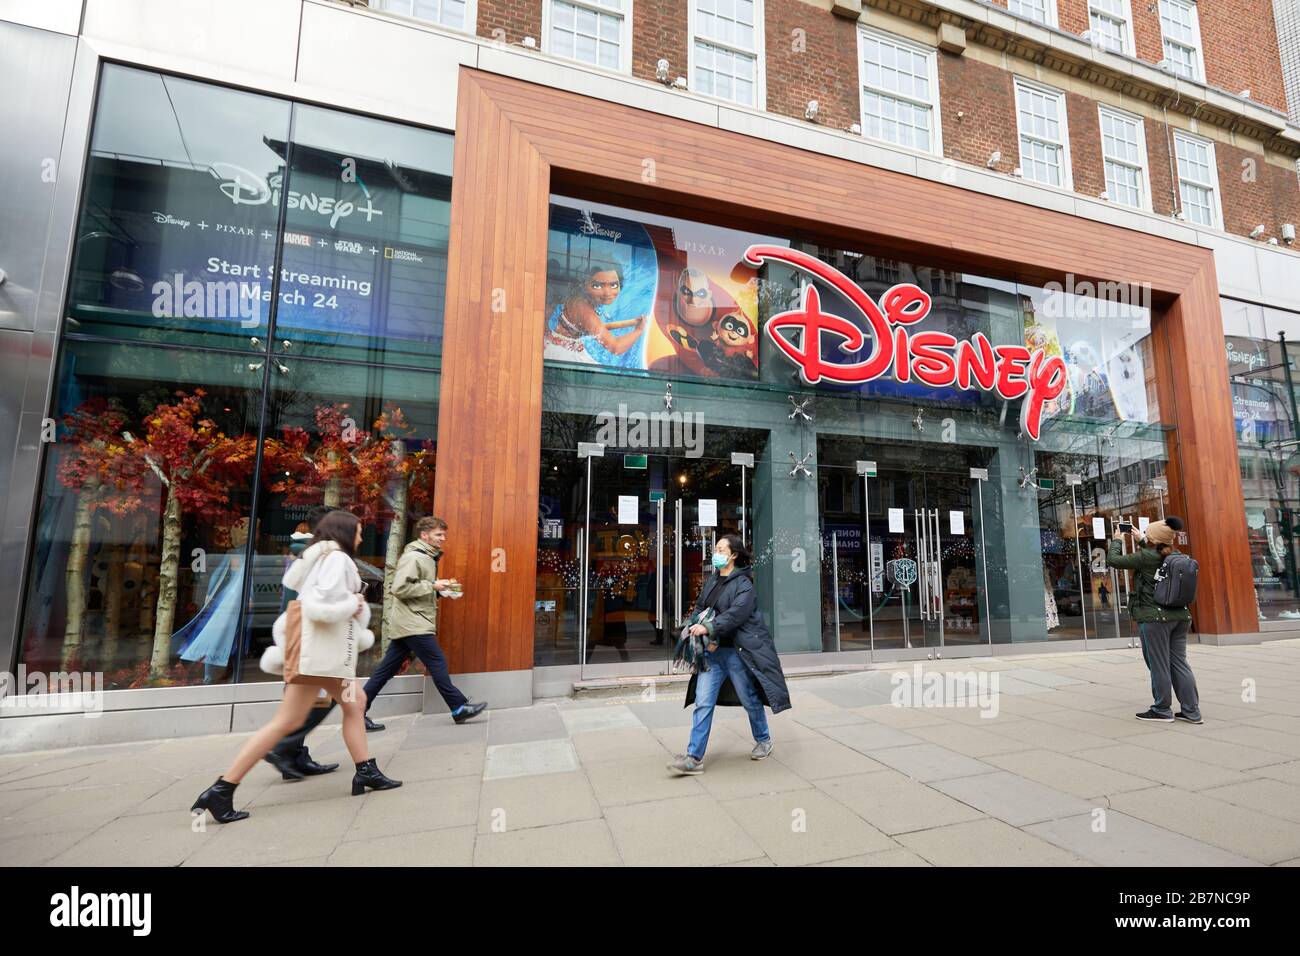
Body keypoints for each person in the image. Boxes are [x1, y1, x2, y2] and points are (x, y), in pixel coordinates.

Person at [191, 511, 401, 823]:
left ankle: (365, 770)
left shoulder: (317, 558)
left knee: (351, 703)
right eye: (357, 531)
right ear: (344, 532)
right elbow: (318, 606)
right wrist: (353, 605)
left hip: (317, 653)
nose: (360, 537)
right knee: (294, 720)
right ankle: (222, 788)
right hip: (324, 654)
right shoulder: (338, 559)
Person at [669, 534, 791, 775]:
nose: (716, 552)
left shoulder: (744, 584)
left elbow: (737, 614)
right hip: (712, 655)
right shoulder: (712, 581)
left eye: (721, 549)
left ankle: (763, 739)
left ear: (733, 555)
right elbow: (700, 607)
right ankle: (694, 758)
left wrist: (709, 628)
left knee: (749, 700)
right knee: (703, 703)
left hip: (736, 654)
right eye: (716, 548)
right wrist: (695, 624)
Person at [361, 516, 487, 730]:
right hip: (413, 621)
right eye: (439, 534)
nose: (443, 538)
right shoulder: (415, 557)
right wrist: (433, 586)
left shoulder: (426, 556)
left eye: (443, 534)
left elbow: (417, 588)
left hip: (412, 620)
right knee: (437, 662)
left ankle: (357, 712)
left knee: (385, 670)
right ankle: (458, 707)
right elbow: (399, 589)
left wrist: (441, 591)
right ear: (424, 535)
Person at [263, 506, 342, 780]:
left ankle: (292, 753)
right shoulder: (318, 556)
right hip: (306, 633)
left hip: (298, 631)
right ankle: (281, 748)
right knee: (323, 699)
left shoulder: (308, 552)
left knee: (315, 699)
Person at [1107, 517, 1202, 724]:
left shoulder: (1145, 557)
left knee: (1159, 665)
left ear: (1153, 538)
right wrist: (1143, 539)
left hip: (1155, 618)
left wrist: (1117, 540)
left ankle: (1161, 710)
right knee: (1179, 663)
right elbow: (1157, 553)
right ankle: (1191, 711)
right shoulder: (1177, 555)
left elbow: (1114, 561)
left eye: (1147, 534)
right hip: (1180, 616)